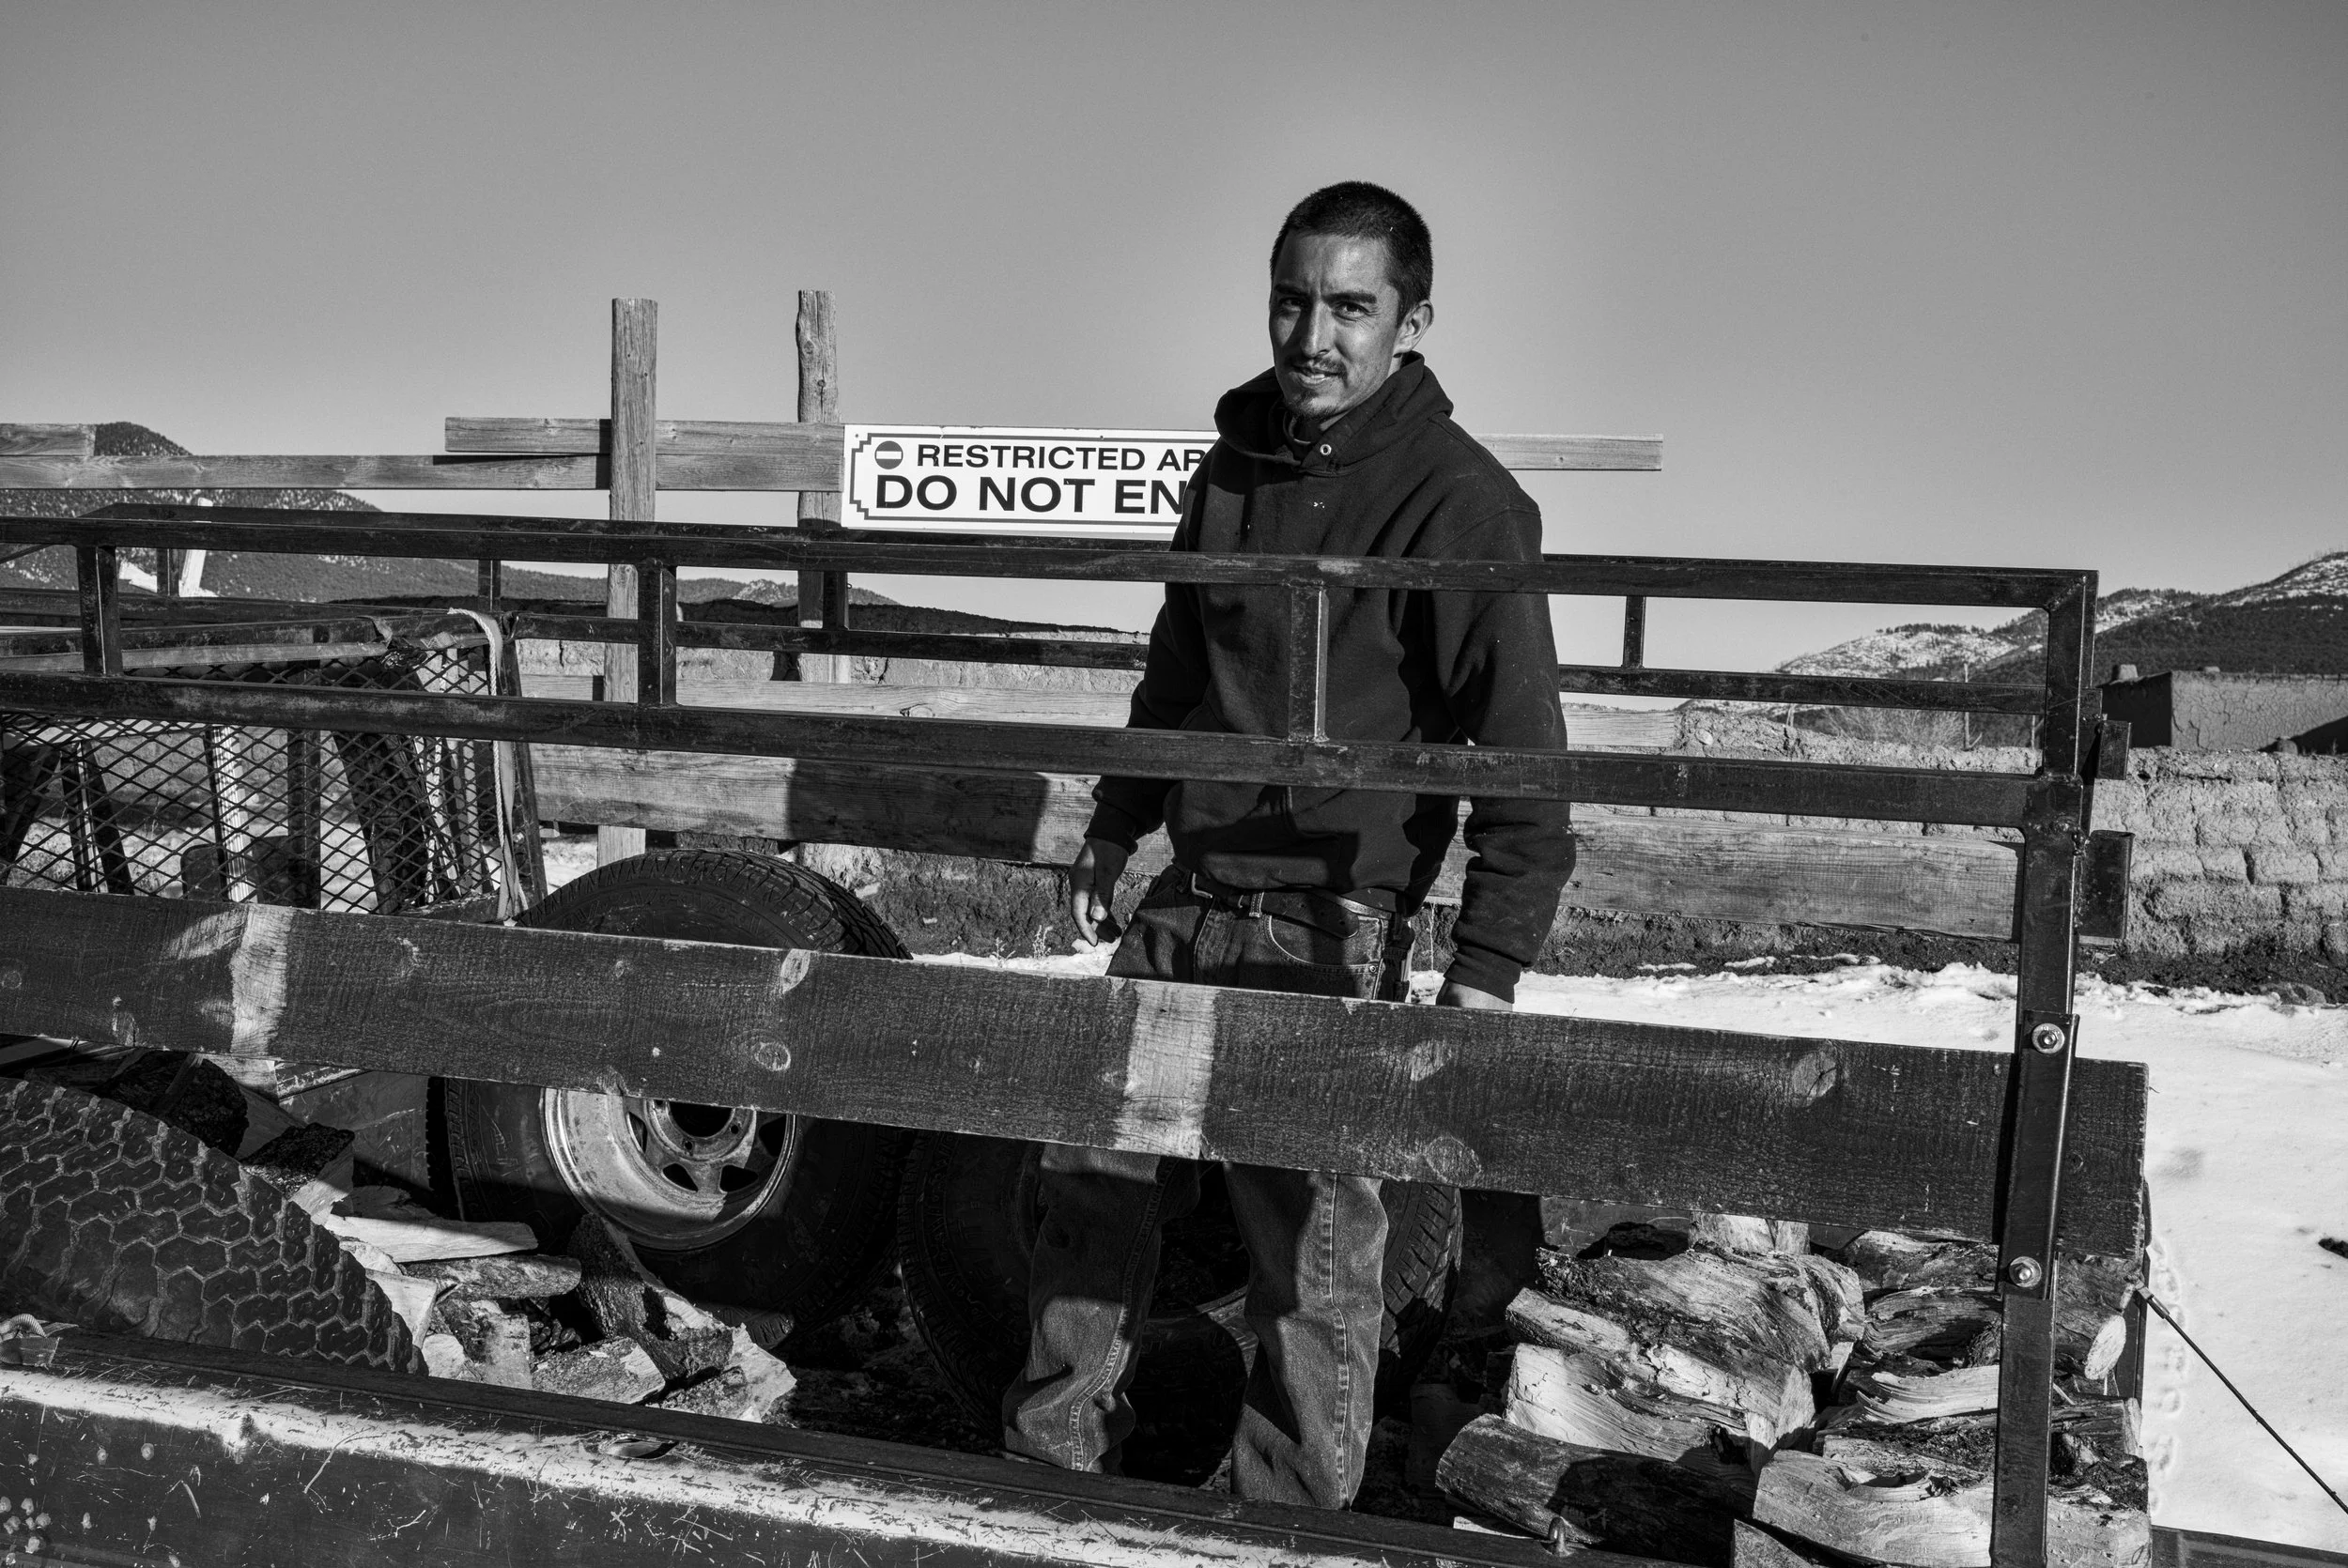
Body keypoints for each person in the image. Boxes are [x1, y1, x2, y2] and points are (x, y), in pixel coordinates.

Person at [1001, 181, 1574, 1510]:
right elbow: (1176, 667)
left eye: (1350, 307)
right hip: (1186, 896)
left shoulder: (1464, 506)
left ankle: (1284, 1522)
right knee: (1088, 1182)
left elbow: (1525, 764)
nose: (1313, 334)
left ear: (1413, 319)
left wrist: (1484, 969)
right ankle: (1053, 1468)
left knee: (1312, 1246)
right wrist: (1117, 819)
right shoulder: (1232, 469)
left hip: (1333, 921)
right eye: (1292, 299)